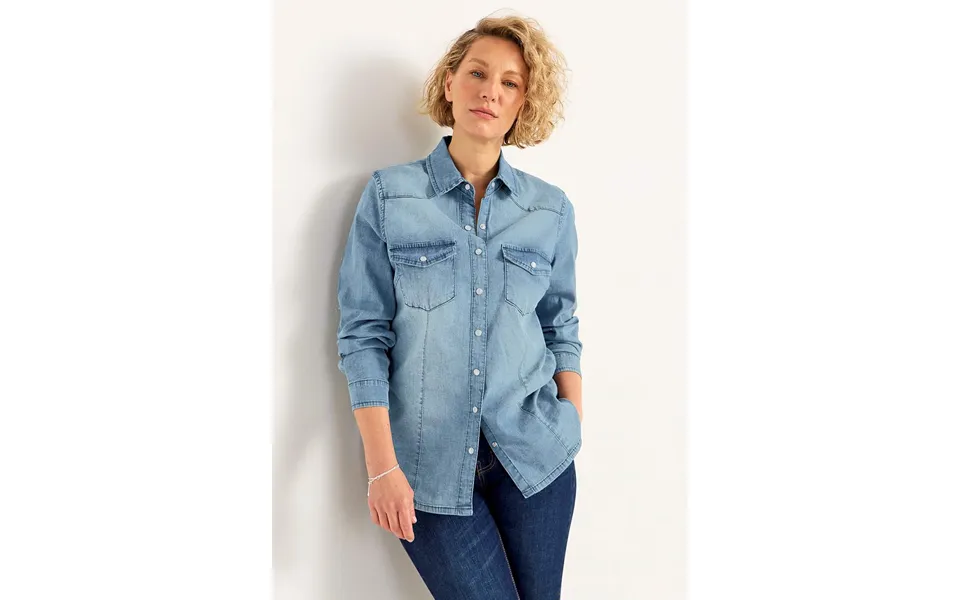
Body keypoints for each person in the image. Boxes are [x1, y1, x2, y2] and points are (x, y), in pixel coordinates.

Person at [336, 13, 583, 599]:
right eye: (477, 73)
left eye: (509, 82)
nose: (490, 91)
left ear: (523, 103)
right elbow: (364, 335)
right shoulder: (391, 196)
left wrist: (570, 422)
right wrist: (381, 466)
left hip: (534, 460)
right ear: (450, 83)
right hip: (426, 468)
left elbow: (560, 324)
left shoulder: (550, 211)